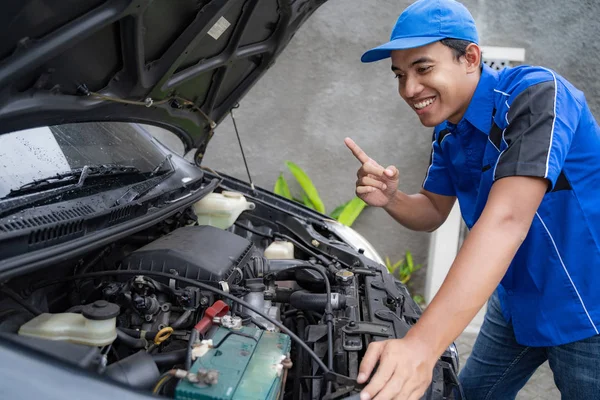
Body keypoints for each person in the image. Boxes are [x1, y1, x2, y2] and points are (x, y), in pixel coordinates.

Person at [345, 0, 600, 399]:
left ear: (470, 58)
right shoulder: (449, 132)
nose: (409, 89)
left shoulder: (536, 96)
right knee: (468, 394)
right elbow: (432, 210)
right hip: (515, 299)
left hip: (587, 304)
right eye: (400, 75)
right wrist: (392, 198)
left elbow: (506, 220)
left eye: (423, 68)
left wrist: (420, 347)